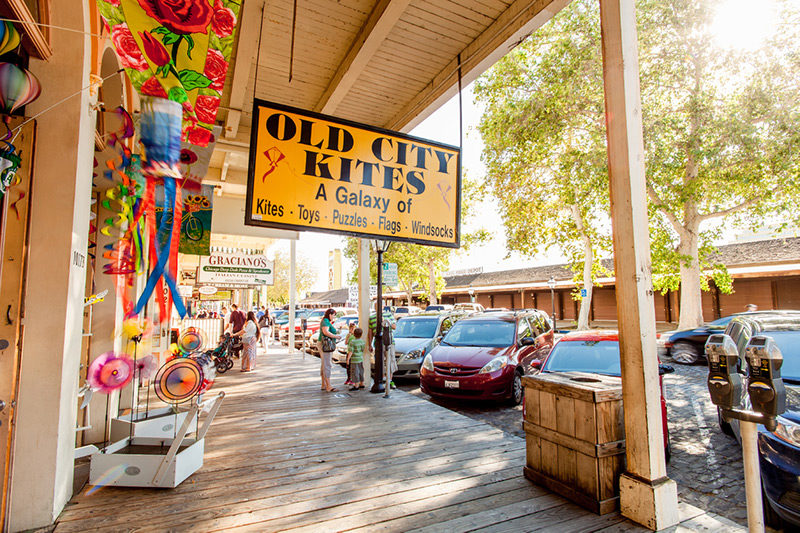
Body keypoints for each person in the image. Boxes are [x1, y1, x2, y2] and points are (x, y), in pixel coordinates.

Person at [368, 301, 397, 389]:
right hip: (378, 343)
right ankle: (382, 378)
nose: (379, 307)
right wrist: (370, 344)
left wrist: (385, 321)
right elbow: (370, 333)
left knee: (390, 360)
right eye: (377, 306)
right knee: (379, 361)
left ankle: (390, 380)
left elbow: (394, 326)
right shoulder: (372, 317)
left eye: (380, 305)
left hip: (389, 341)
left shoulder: (388, 315)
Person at [317, 308, 340, 392]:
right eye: (333, 315)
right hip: (326, 345)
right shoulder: (326, 322)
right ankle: (328, 386)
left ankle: (324, 384)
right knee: (327, 364)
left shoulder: (325, 321)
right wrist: (336, 336)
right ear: (330, 314)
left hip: (322, 344)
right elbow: (326, 332)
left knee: (324, 364)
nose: (334, 317)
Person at [343, 322, 356, 386]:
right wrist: (347, 337)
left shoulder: (355, 336)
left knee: (352, 366)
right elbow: (346, 343)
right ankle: (348, 378)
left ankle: (352, 379)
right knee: (348, 366)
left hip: (353, 352)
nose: (351, 330)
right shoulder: (348, 335)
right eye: (350, 328)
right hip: (348, 351)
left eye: (353, 329)